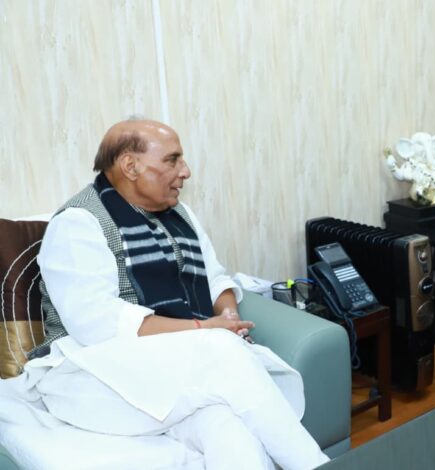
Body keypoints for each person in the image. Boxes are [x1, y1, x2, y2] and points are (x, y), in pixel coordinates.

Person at [10, 119, 329, 469]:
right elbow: (97, 325)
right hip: (90, 376)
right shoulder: (78, 223)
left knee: (227, 427)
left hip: (168, 370)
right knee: (222, 352)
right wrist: (203, 330)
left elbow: (215, 278)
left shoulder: (180, 214)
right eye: (172, 160)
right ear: (130, 166)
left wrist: (228, 318)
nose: (185, 171)